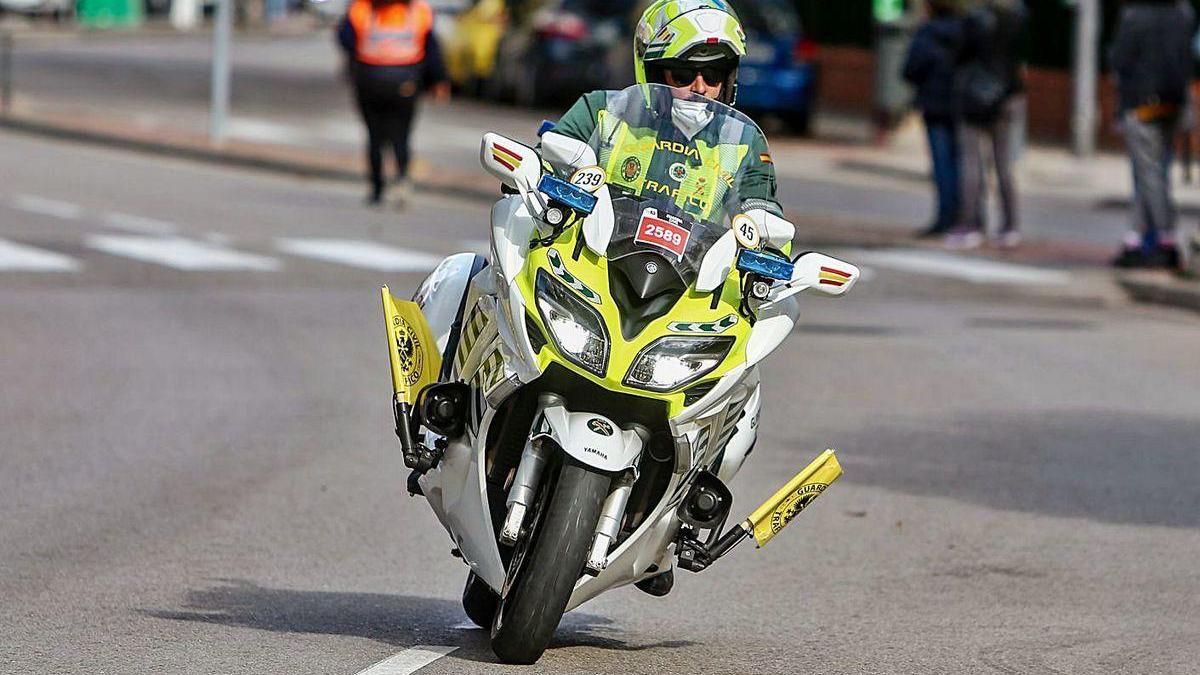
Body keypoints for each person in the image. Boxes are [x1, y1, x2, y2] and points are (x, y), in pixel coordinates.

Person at [552, 0, 783, 224]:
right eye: (684, 75)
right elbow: (545, 168)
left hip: (692, 263)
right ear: (655, 73)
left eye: (713, 75)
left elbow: (763, 214)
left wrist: (768, 233)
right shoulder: (602, 111)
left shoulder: (744, 141)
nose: (700, 88)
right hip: (596, 258)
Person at [337, 0, 451, 207]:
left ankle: (377, 188)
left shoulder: (361, 8)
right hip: (405, 82)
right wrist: (439, 80)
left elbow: (345, 38)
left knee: (375, 136)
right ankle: (401, 182)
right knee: (401, 135)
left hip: (369, 79)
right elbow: (432, 49)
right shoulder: (419, 11)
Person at [1109, 0, 1196, 268]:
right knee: (1154, 173)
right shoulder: (1184, 13)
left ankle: (1164, 237)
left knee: (1148, 175)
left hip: (1142, 104)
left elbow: (1119, 60)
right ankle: (1135, 237)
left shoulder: (1134, 16)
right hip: (1174, 104)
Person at [948, 0, 1027, 250]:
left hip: (975, 95)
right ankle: (1010, 225)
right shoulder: (1018, 19)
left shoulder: (974, 20)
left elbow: (960, 56)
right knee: (1004, 164)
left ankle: (972, 224)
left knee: (972, 162)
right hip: (1007, 97)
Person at [903, 0, 965, 239]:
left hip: (934, 104)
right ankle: (965, 216)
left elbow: (911, 68)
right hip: (961, 105)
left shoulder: (928, 33)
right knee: (962, 163)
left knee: (942, 165)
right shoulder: (965, 31)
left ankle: (945, 217)